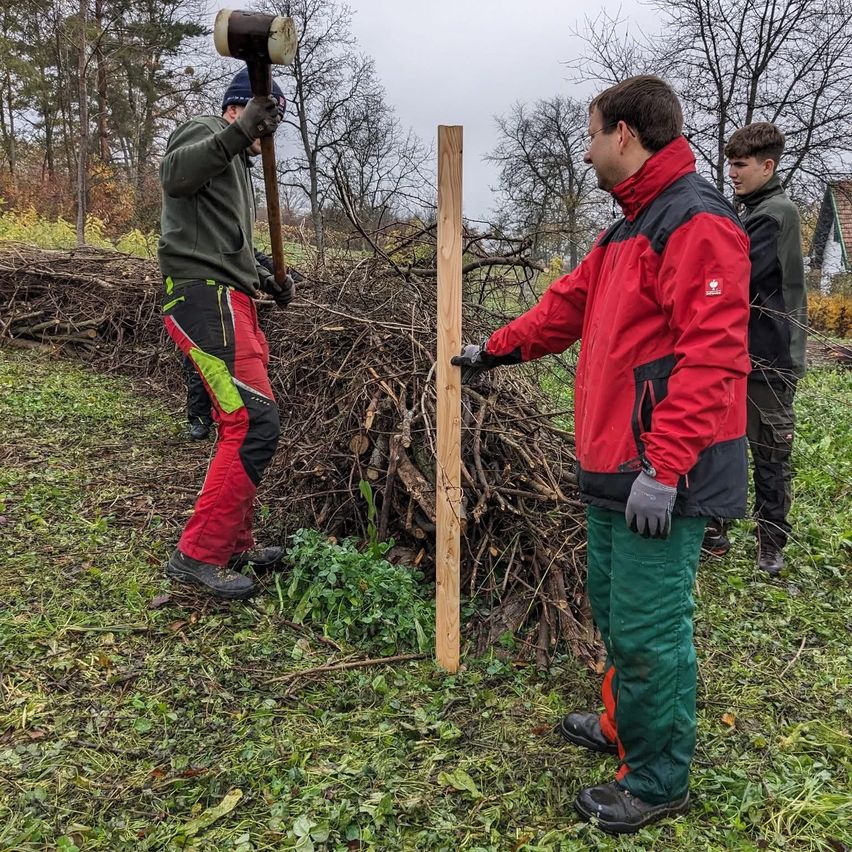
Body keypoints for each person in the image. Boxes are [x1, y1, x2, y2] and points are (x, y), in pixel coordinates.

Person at [452, 76, 751, 833]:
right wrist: (492, 349)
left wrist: (666, 466)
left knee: (651, 626)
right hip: (616, 466)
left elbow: (714, 357)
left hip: (662, 472)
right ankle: (626, 728)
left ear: (624, 134)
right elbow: (565, 307)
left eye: (591, 135)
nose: (585, 152)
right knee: (616, 610)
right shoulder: (626, 229)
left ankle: (657, 778)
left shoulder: (695, 221)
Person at [157, 68, 295, 599]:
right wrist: (240, 132)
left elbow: (231, 246)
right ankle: (199, 555)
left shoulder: (235, 167)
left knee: (244, 421)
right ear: (242, 108)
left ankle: (234, 543)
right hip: (203, 297)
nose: (268, 134)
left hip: (230, 297)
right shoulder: (202, 130)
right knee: (254, 422)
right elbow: (173, 175)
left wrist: (271, 277)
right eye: (268, 120)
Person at [703, 123, 807, 575]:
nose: (732, 173)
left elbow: (735, 276)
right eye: (729, 163)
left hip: (771, 357)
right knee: (719, 441)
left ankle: (770, 546)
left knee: (770, 453)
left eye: (741, 165)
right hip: (741, 351)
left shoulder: (773, 214)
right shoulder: (751, 212)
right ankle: (716, 529)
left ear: (768, 166)